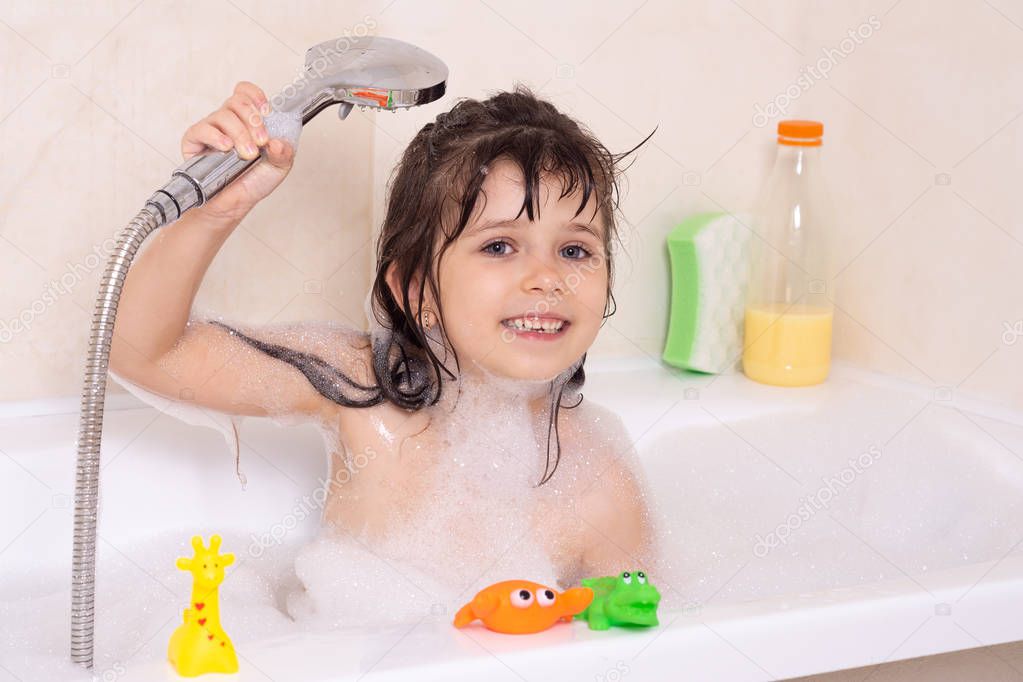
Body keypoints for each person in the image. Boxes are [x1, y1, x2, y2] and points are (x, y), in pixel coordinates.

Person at [109, 80, 659, 592]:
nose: (548, 278)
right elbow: (146, 354)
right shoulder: (361, 388)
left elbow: (631, 644)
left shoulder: (602, 485)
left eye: (575, 250)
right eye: (499, 246)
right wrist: (214, 213)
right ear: (417, 289)